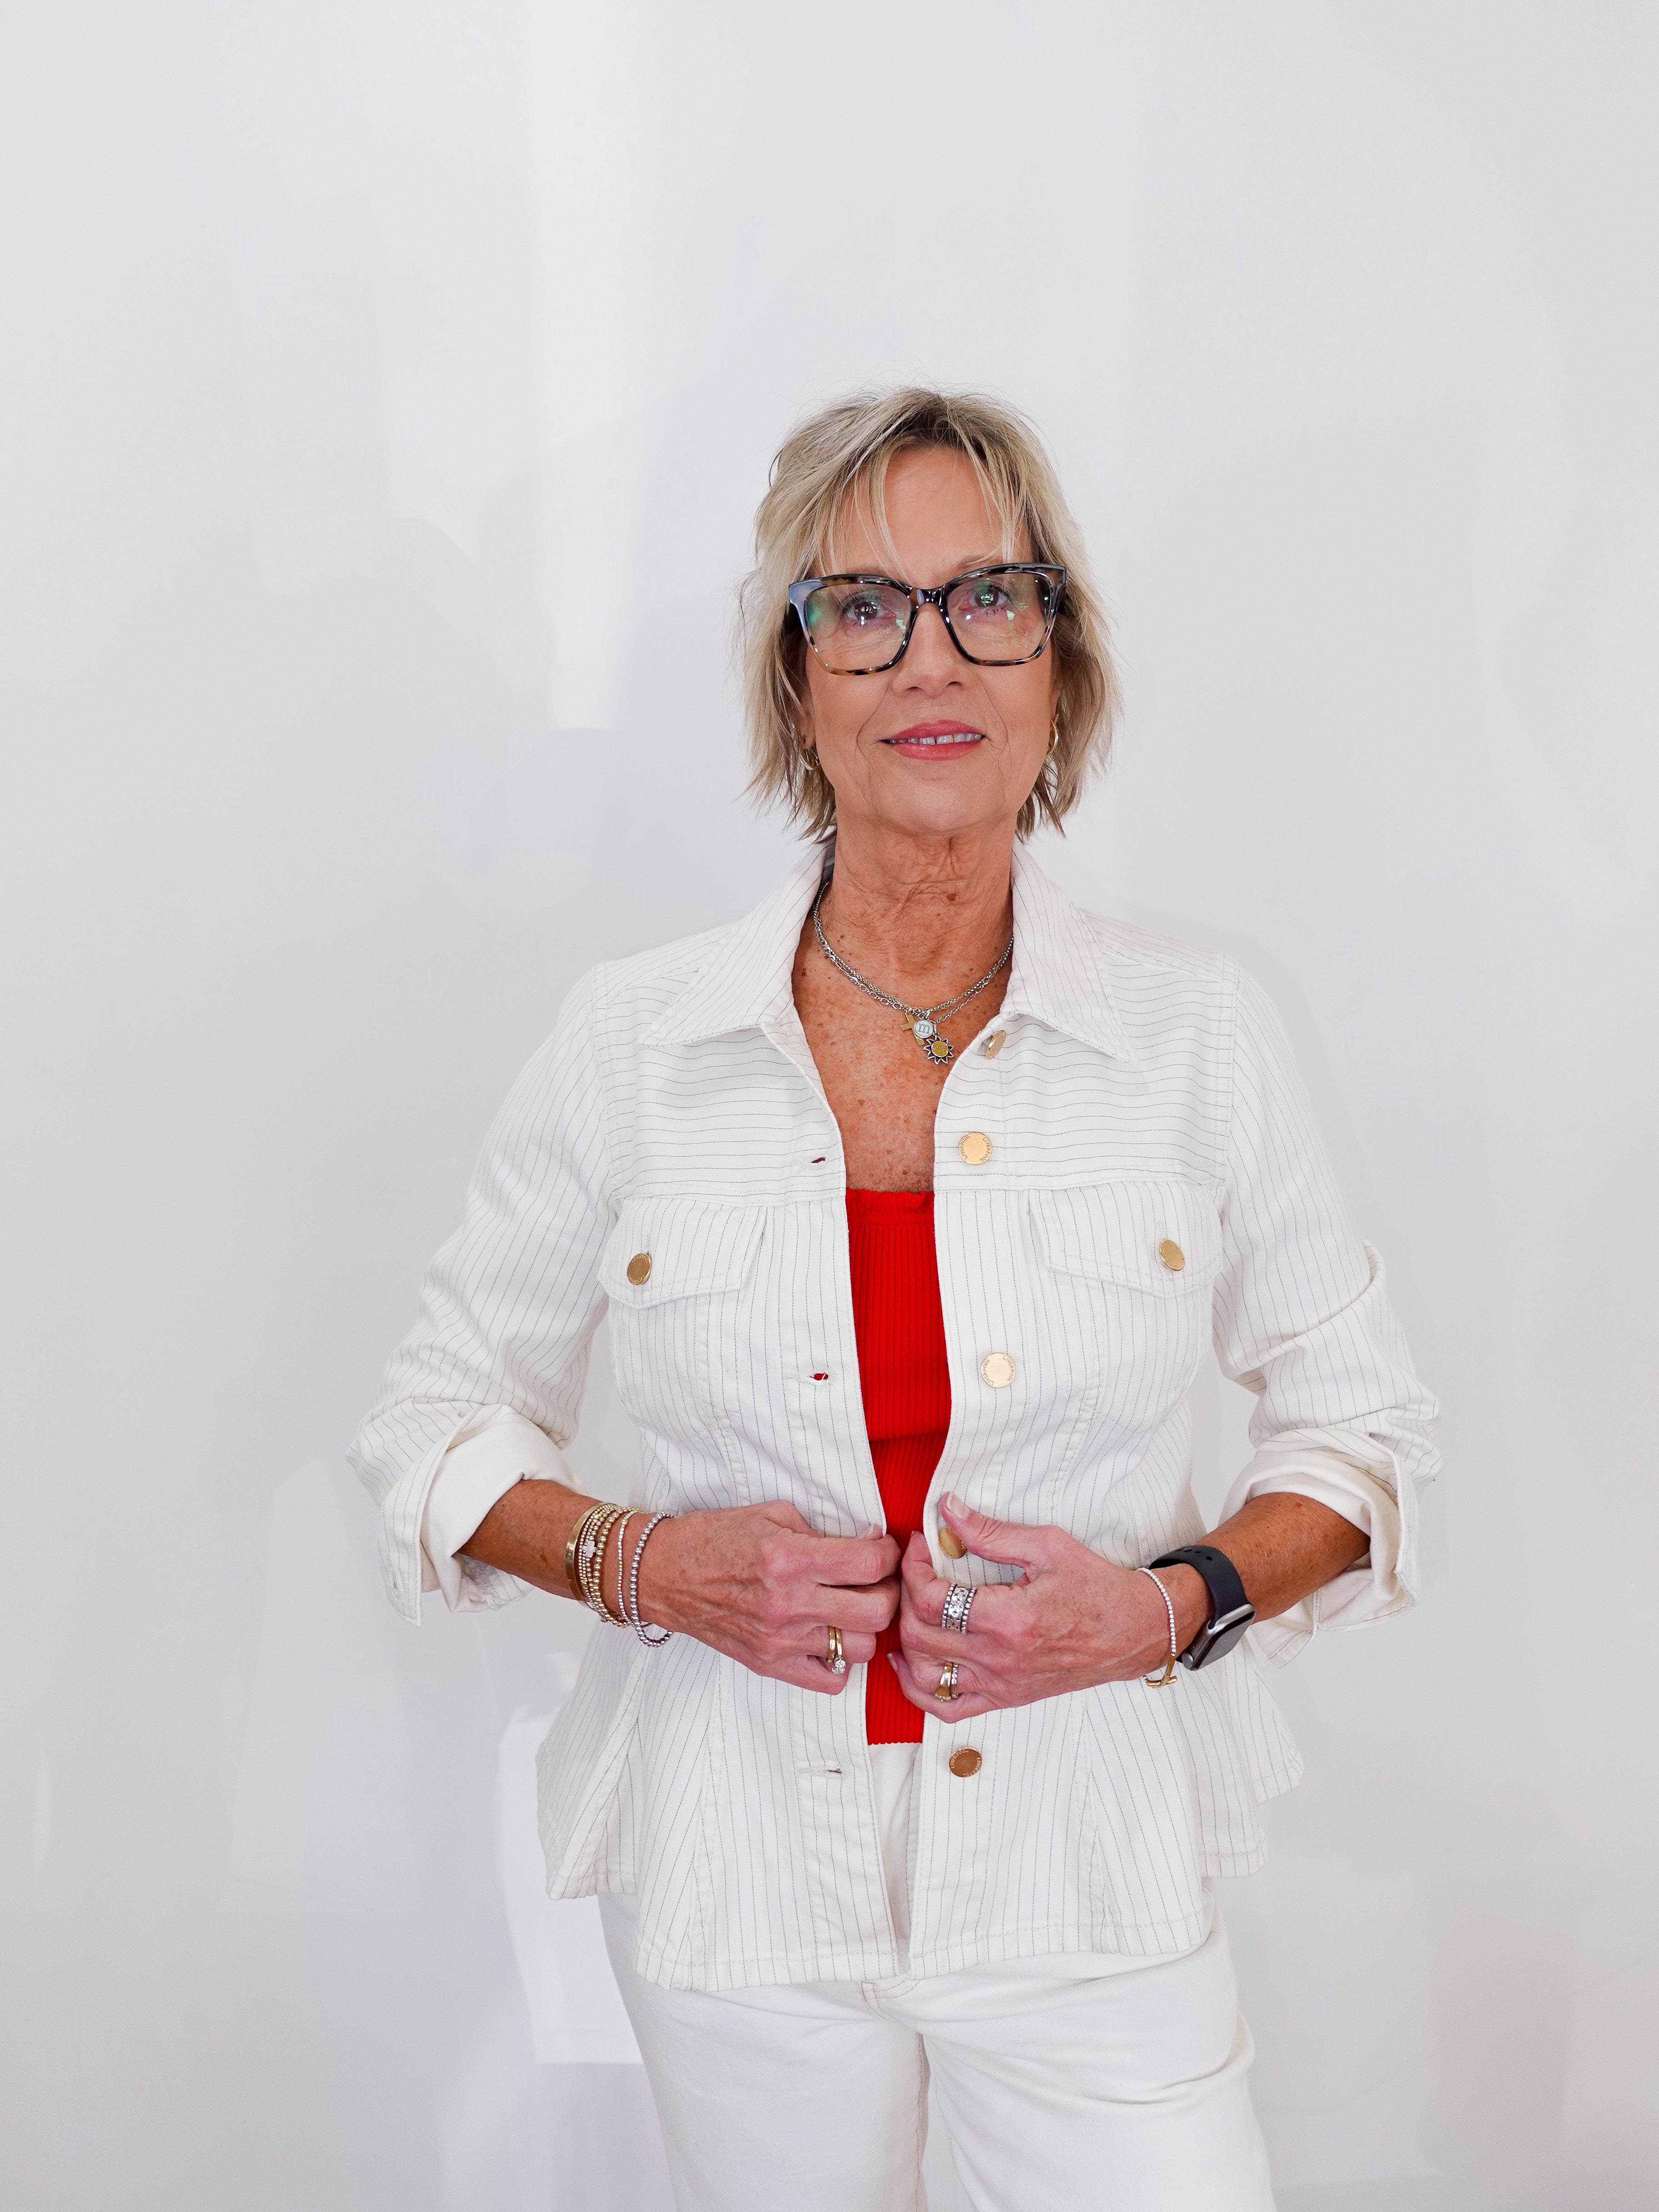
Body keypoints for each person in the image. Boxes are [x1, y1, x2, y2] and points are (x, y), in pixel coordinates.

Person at [349, 387, 1438, 2212]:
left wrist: (1162, 1608)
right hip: (742, 1879)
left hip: (1093, 1870)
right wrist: (647, 1563)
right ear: (797, 683)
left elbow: (1370, 1434)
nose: (928, 654)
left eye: (987, 596)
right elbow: (428, 1419)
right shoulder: (634, 1040)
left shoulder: (1202, 1035)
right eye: (861, 606)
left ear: (1058, 664)